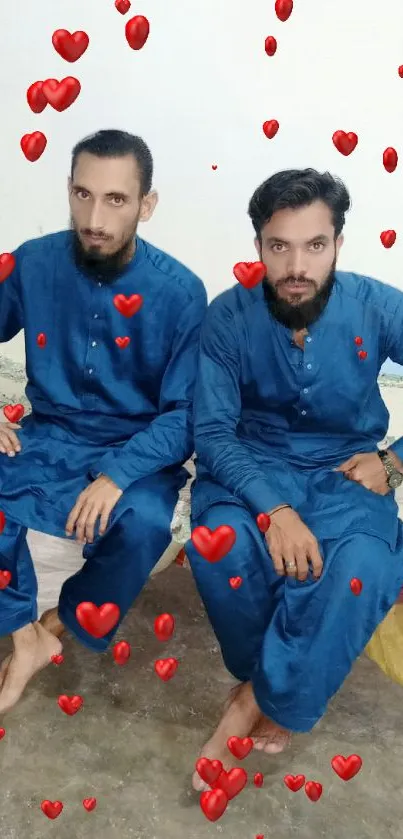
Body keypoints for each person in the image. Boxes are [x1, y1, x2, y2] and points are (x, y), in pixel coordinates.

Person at [186, 168, 403, 791]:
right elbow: (215, 433)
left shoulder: (375, 304)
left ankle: (253, 702)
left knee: (362, 565)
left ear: (339, 244)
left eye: (315, 245)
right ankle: (272, 679)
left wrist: (394, 463)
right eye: (279, 246)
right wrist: (275, 511)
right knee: (220, 544)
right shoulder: (228, 316)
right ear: (258, 246)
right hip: (249, 470)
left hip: (346, 476)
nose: (297, 265)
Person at [0, 129, 207, 713]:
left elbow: (187, 413)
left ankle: (59, 627)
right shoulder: (31, 263)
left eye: (116, 200)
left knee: (143, 523)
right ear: (68, 190)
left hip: (139, 448)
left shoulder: (181, 293)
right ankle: (25, 636)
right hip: (48, 435)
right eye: (83, 194)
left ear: (147, 205)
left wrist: (117, 474)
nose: (95, 217)